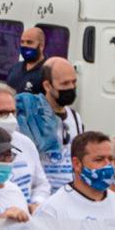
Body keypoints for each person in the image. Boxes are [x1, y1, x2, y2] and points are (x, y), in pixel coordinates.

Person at [18, 57, 83, 191]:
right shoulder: (31, 115)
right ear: (47, 85)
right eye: (65, 84)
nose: (71, 87)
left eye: (74, 82)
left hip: (67, 195)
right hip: (39, 195)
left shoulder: (75, 117)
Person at [6, 26, 47, 94]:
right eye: (22, 42)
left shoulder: (47, 72)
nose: (25, 45)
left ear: (41, 46)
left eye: (29, 42)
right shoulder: (15, 68)